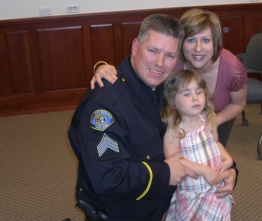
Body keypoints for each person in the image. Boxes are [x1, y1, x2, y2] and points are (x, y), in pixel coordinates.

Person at [68, 14, 237, 221]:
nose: (159, 63)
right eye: (152, 51)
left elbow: (198, 134)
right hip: (124, 211)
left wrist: (230, 170)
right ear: (135, 47)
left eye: (169, 56)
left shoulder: (170, 90)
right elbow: (108, 177)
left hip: (168, 202)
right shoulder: (106, 105)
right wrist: (165, 173)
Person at [92, 8, 248, 147]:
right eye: (191, 40)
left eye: (206, 40)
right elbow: (141, 62)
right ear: (180, 44)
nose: (198, 48)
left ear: (216, 43)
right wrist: (103, 68)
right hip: (175, 123)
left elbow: (239, 103)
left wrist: (213, 121)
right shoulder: (172, 59)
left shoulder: (232, 68)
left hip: (217, 120)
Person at [162, 69, 234, 221]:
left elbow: (215, 144)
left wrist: (228, 159)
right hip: (193, 193)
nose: (195, 98)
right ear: (173, 103)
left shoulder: (207, 121)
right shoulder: (174, 131)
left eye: (199, 92)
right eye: (187, 94)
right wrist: (204, 171)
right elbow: (175, 161)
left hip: (213, 187)